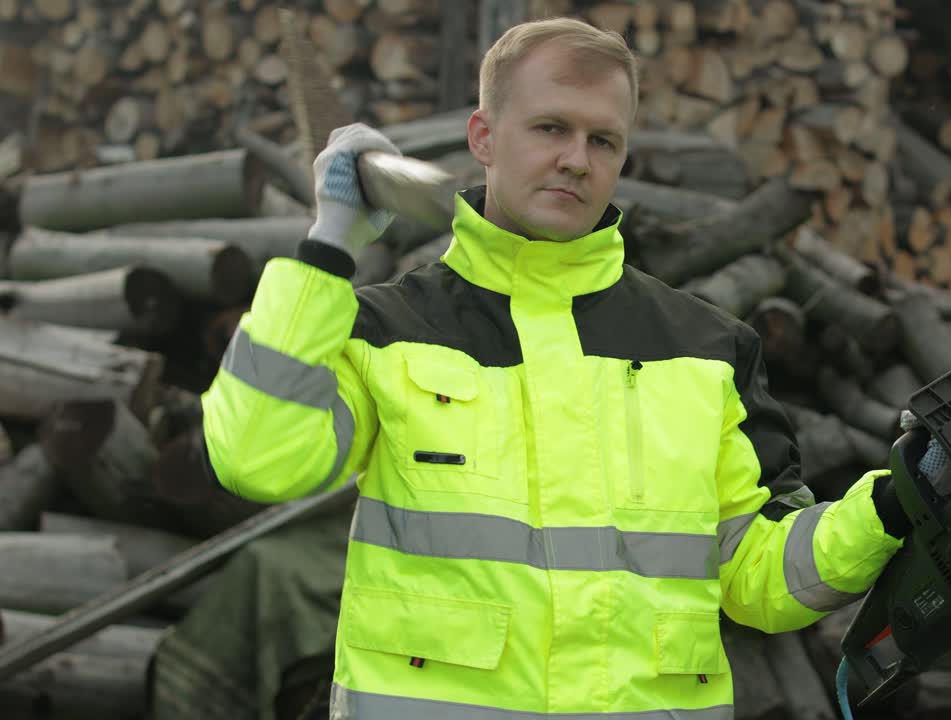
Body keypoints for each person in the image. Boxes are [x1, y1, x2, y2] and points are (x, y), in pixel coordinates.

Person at [201, 16, 910, 720]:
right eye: (551, 128)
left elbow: (759, 577)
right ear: (484, 137)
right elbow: (258, 459)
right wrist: (330, 242)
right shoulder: (387, 331)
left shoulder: (707, 349)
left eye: (603, 140)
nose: (577, 158)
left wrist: (888, 505)